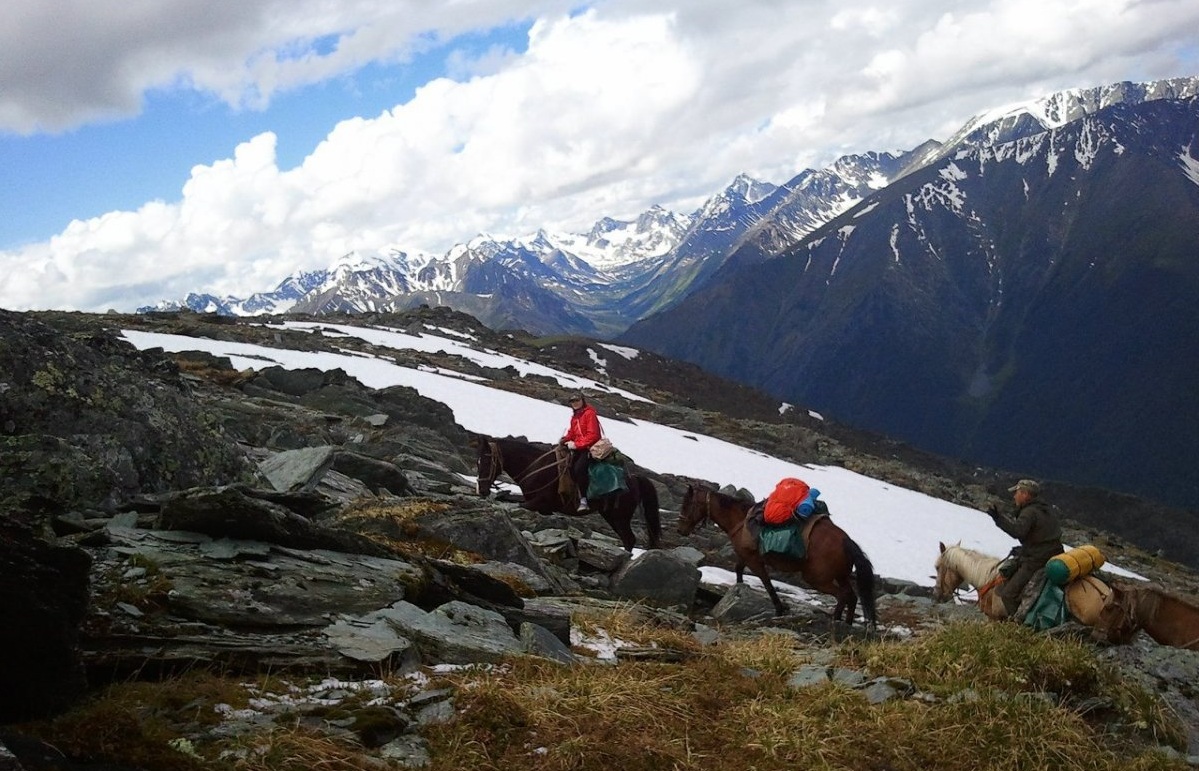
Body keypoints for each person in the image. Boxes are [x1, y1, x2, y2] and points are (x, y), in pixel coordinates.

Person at [986, 479, 1064, 618]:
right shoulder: (1045, 509)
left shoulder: (1029, 512)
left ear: (1026, 494)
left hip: (1037, 560)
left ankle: (1019, 624)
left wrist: (998, 518)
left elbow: (1018, 531)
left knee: (1008, 594)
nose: (1014, 496)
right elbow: (1041, 537)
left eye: (1017, 493)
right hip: (1055, 553)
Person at [559, 392, 602, 511]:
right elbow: (572, 433)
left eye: (577, 400)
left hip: (589, 448)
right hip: (578, 448)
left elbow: (593, 435)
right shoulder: (575, 417)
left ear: (583, 400)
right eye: (572, 401)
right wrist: (565, 440)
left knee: (579, 469)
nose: (575, 403)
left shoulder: (589, 414)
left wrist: (577, 445)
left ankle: (584, 499)